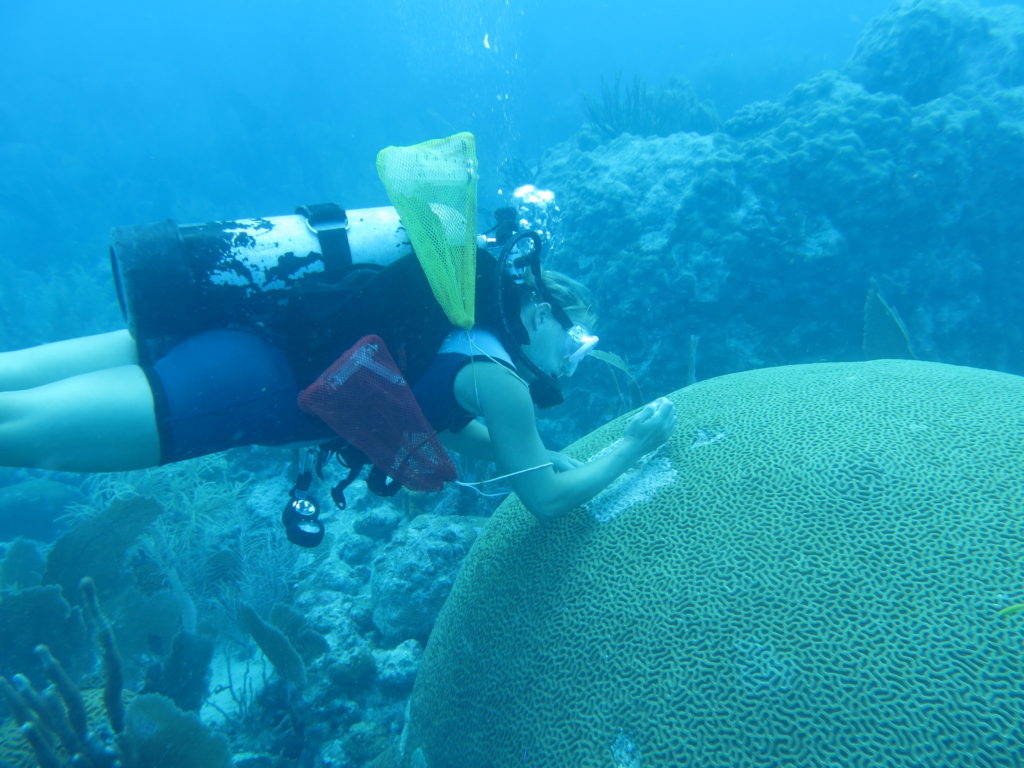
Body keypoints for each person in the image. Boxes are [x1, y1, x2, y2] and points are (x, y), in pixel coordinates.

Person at [0, 235, 675, 523]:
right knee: (15, 429)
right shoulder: (500, 378)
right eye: (576, 339)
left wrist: (547, 454)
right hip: (240, 391)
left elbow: (451, 426)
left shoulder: (458, 328)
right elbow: (548, 503)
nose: (573, 359)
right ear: (538, 310)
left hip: (247, 326)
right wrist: (635, 447)